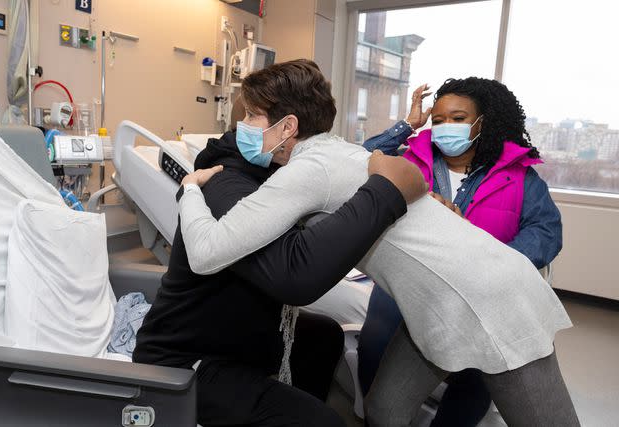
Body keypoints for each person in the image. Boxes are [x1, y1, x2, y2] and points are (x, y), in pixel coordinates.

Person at [179, 59, 579, 426]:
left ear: (287, 127)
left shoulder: (309, 170)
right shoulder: (338, 152)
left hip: (492, 297)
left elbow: (206, 251)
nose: (242, 125)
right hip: (434, 304)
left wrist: (191, 188)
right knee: (386, 409)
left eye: (251, 114)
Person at [133, 107, 427, 425]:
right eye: (245, 115)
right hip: (187, 358)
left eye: (252, 116)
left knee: (325, 335)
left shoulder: (272, 178)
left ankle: (288, 400)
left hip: (228, 334)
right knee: (324, 422)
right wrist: (385, 195)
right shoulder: (227, 186)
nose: (243, 124)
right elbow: (292, 275)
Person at [358, 78, 563, 426]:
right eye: (438, 120)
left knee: (473, 381)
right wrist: (409, 125)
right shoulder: (413, 161)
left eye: (457, 118)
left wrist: (485, 256)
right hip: (414, 290)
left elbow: (546, 234)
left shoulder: (520, 178)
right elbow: (363, 156)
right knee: (378, 369)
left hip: (481, 300)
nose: (445, 127)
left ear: (483, 123)